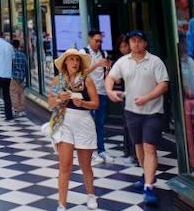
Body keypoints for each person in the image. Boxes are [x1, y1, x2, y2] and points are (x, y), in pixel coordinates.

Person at [106, 30, 170, 206]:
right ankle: (146, 175)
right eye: (133, 41)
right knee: (139, 147)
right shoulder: (123, 62)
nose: (136, 44)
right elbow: (110, 77)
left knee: (150, 147)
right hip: (132, 112)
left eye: (139, 41)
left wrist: (147, 98)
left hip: (153, 112)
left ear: (145, 43)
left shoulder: (155, 62)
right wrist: (110, 91)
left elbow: (164, 85)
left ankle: (149, 186)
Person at [48, 49, 100, 211]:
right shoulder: (58, 81)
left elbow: (95, 103)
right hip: (64, 122)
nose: (74, 62)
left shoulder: (87, 81)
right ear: (65, 63)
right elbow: (50, 102)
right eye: (71, 59)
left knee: (85, 165)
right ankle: (61, 204)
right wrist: (58, 98)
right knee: (65, 165)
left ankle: (91, 195)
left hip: (83, 122)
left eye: (77, 59)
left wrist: (83, 103)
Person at [83, 30, 112, 164]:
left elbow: (107, 75)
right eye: (96, 40)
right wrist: (96, 64)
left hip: (102, 92)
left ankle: (101, 149)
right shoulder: (84, 53)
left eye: (100, 41)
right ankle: (92, 151)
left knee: (100, 123)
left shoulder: (104, 54)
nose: (99, 43)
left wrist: (108, 70)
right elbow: (81, 73)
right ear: (90, 40)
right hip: (89, 93)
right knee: (90, 123)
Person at [113, 34, 135, 163]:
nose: (123, 49)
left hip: (137, 94)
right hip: (126, 94)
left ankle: (135, 153)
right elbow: (116, 78)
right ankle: (129, 152)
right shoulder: (121, 61)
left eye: (125, 46)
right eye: (121, 47)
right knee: (127, 124)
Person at [10, 39, 28, 116]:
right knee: (21, 93)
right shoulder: (23, 55)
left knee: (14, 93)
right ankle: (22, 109)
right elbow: (26, 66)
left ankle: (16, 109)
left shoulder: (12, 55)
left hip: (14, 76)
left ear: (12, 46)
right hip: (22, 76)